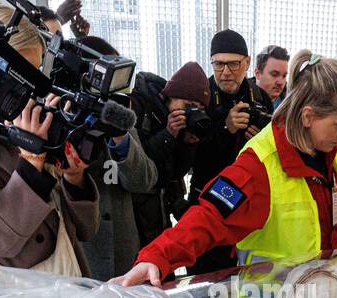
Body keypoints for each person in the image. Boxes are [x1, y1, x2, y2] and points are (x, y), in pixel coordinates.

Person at [115, 50, 337, 285]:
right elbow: (209, 216)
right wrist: (157, 256)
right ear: (308, 116)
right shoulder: (259, 167)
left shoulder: (333, 146)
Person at [0, 6, 102, 276]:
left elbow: (85, 230)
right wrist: (31, 163)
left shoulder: (36, 117)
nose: (28, 92)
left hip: (67, 290)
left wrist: (75, 179)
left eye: (35, 75)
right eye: (16, 79)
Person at [70, 35, 159, 281]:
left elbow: (145, 180)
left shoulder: (119, 112)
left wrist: (121, 137)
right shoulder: (60, 113)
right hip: (81, 259)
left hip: (123, 254)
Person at [188, 29, 274, 273]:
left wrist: (259, 141)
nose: (225, 72)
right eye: (218, 64)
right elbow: (190, 154)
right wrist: (225, 129)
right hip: (209, 197)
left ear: (247, 62)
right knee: (206, 276)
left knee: (251, 274)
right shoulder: (200, 95)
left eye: (233, 64)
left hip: (249, 201)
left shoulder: (260, 97)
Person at [130, 61, 213, 243]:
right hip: (134, 215)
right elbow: (138, 164)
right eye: (188, 105)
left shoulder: (180, 122)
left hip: (159, 211)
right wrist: (168, 134)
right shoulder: (141, 107)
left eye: (199, 109)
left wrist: (188, 144)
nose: (192, 112)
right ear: (171, 95)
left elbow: (175, 173)